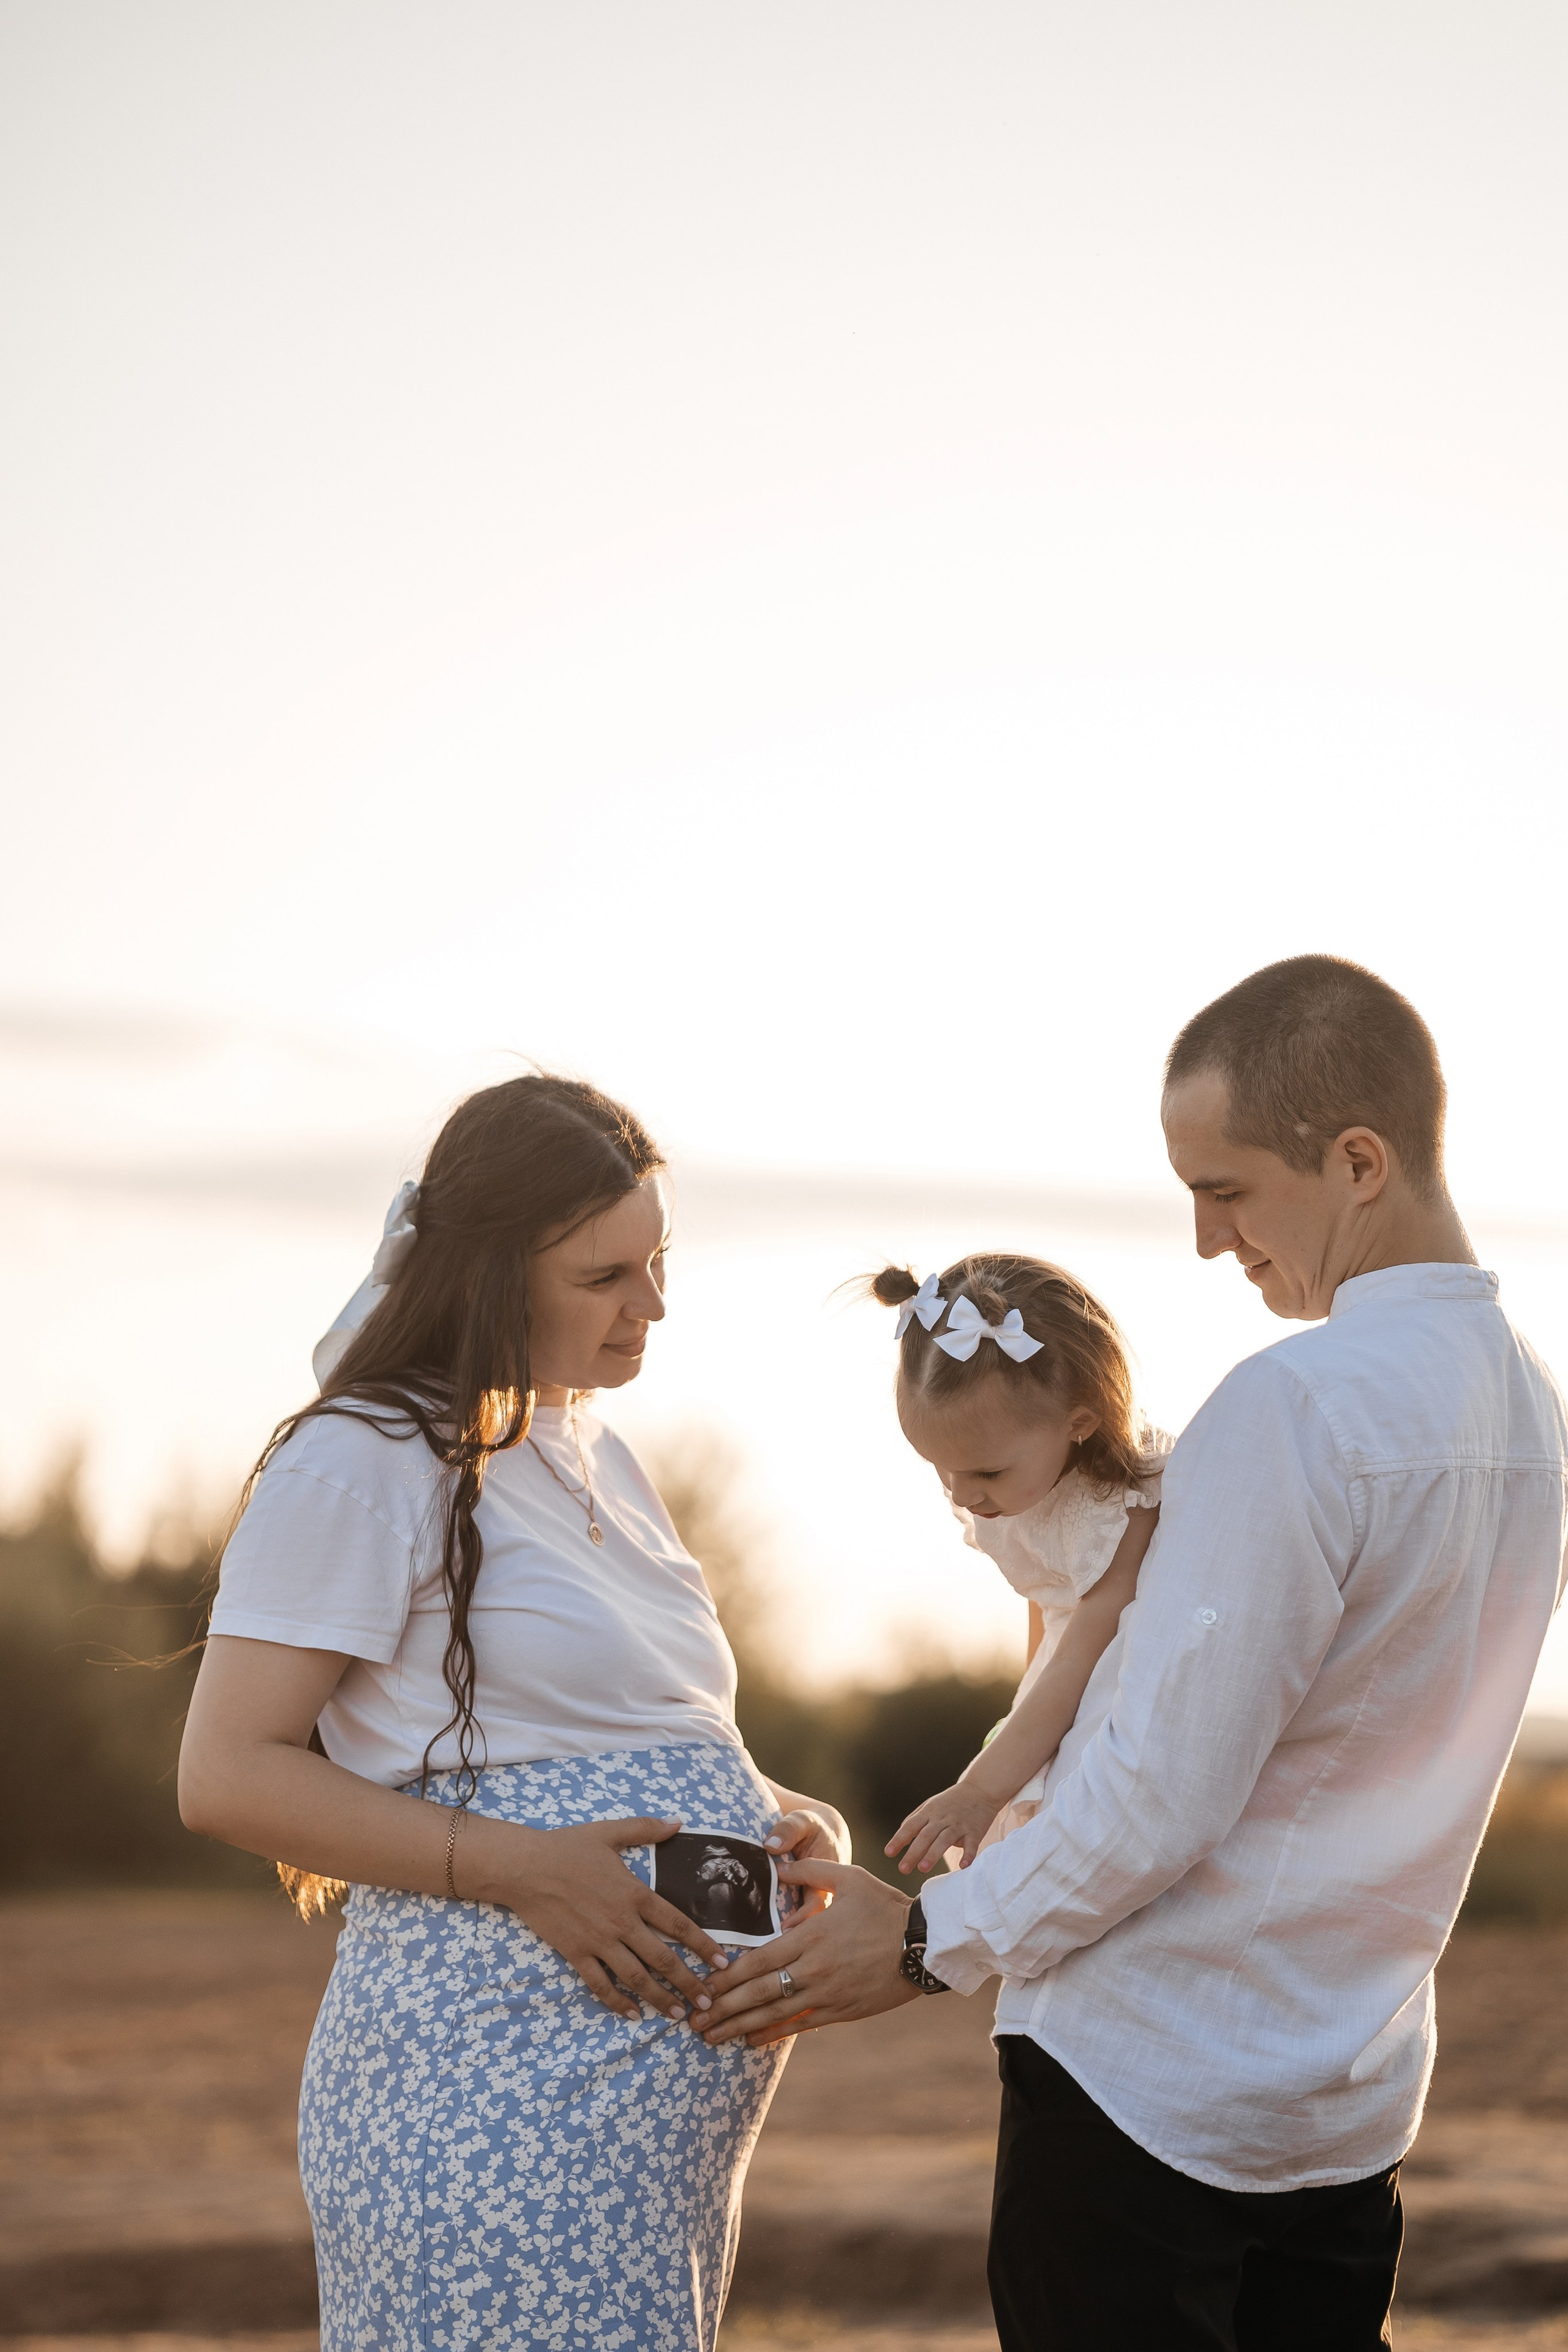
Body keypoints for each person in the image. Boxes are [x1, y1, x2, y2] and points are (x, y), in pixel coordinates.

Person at [696, 955, 1568, 2351]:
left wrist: (923, 1939)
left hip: (1146, 2090)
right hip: (1344, 2101)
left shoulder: (1291, 1408)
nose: (1208, 1240)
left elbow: (1163, 1788)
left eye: (1226, 1190)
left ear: (1357, 1162)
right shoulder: (1531, 1409)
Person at [177, 1073, 847, 2352]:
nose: (653, 1305)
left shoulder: (599, 1452)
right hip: (487, 2102)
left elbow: (638, 1724)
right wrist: (530, 1872)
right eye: (606, 1276)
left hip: (640, 2155)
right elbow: (224, 1774)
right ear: (491, 1276)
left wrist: (778, 1819)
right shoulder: (364, 1454)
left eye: (659, 1262)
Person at [864, 1257, 1170, 1873]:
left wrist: (982, 1789)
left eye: (985, 1472)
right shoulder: (1018, 1483)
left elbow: (1085, 1653)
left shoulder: (1121, 1509)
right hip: (1056, 1686)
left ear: (1079, 1422)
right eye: (942, 1468)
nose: (962, 1494)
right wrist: (1019, 1710)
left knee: (1059, 1843)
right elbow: (1045, 1602)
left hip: (1113, 1696)